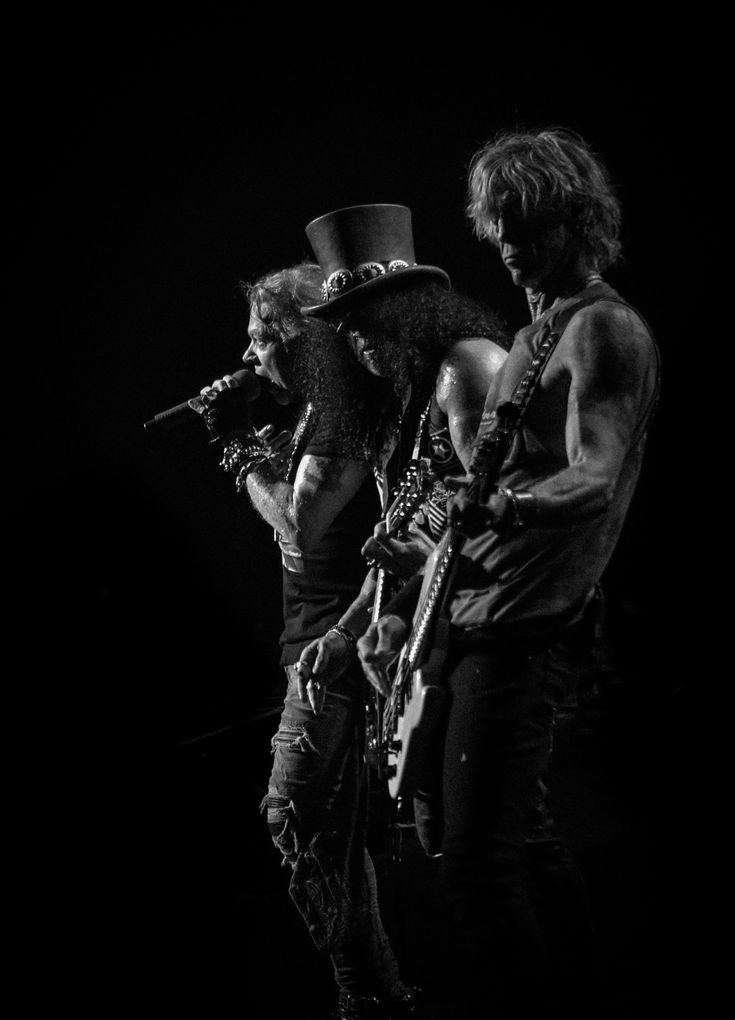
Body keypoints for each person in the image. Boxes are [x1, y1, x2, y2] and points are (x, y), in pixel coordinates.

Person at [355, 129, 661, 1018]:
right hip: (484, 613)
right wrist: (428, 557)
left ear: (576, 220)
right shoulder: (533, 333)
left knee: (477, 872)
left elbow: (594, 475)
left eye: (527, 230)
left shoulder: (604, 328)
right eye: (498, 234)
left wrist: (505, 512)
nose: (510, 251)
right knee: (519, 848)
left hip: (529, 630)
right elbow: (500, 486)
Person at [195, 261, 419, 1020]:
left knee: (295, 815)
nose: (247, 352)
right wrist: (261, 419)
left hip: (334, 645)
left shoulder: (339, 411)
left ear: (301, 337)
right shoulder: (315, 410)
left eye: (262, 337)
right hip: (322, 640)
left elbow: (297, 529)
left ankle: (369, 993)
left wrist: (234, 444)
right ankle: (370, 990)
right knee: (324, 828)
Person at [295, 203, 509, 711]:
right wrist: (345, 636)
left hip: (488, 648)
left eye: (367, 314)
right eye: (343, 324)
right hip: (434, 649)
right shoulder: (405, 405)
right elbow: (411, 540)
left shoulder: (466, 369)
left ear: (410, 304)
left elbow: (513, 527)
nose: (356, 334)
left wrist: (431, 565)